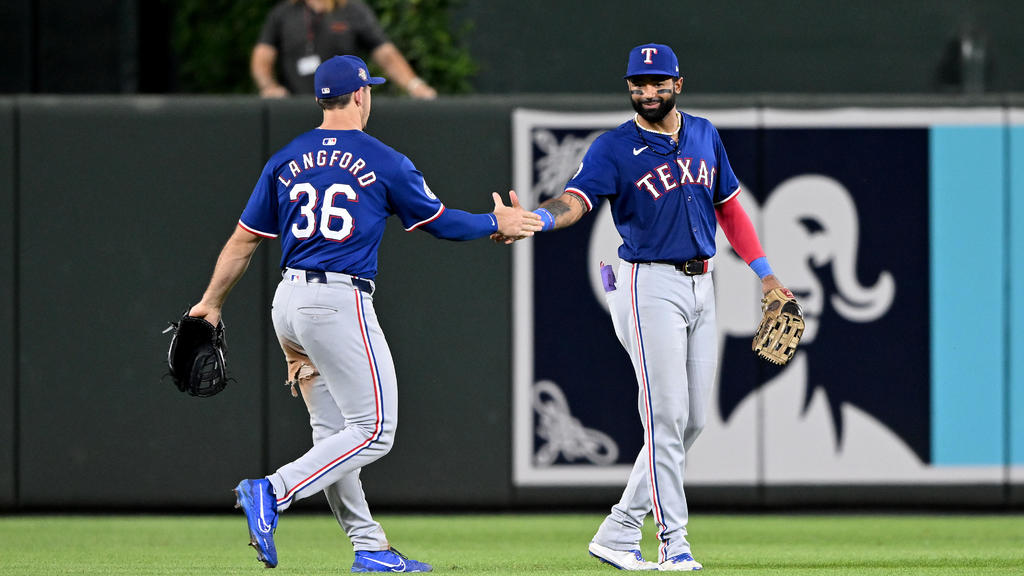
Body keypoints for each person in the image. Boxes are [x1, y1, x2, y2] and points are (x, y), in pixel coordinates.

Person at [188, 54, 540, 571]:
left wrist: (210, 303)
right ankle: (273, 491)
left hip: (287, 302)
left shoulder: (285, 159)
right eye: (368, 90)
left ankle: (369, 546)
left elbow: (243, 243)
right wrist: (496, 220)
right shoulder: (383, 159)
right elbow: (440, 222)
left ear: (320, 100)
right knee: (376, 428)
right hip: (336, 301)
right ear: (360, 95)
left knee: (335, 436)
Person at [499, 43, 792, 571]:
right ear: (629, 86)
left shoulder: (703, 134)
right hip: (646, 285)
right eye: (639, 82)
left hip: (704, 284)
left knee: (693, 421)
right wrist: (537, 220)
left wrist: (766, 274)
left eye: (658, 82)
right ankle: (674, 542)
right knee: (666, 417)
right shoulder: (614, 147)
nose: (648, 91)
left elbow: (729, 210)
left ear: (678, 84)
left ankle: (619, 528)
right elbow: (575, 201)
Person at [252, 0, 437, 99]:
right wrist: (269, 87)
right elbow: (262, 55)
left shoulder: (353, 10)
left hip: (344, 107)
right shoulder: (283, 13)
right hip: (296, 105)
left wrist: (415, 86)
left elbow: (385, 53)